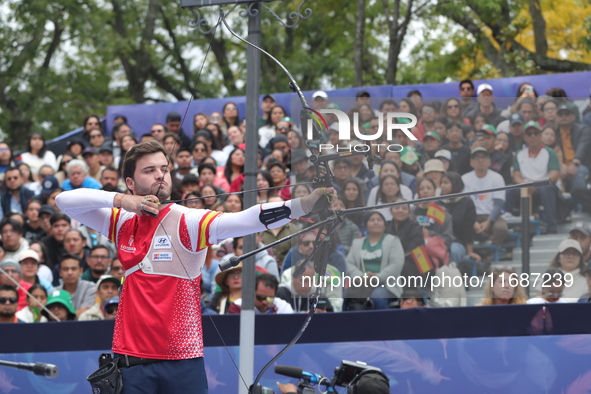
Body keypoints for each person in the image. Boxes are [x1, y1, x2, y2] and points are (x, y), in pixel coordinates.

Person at [55, 140, 330, 391]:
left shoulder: (189, 220)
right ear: (130, 182)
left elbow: (244, 220)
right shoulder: (122, 221)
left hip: (182, 361)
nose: (160, 175)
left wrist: (302, 205)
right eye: (149, 170)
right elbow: (64, 201)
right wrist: (122, 200)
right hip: (130, 359)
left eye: (164, 168)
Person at [505, 121, 561, 233]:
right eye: (529, 134)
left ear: (540, 135)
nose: (533, 136)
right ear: (524, 137)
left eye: (535, 133)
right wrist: (525, 185)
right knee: (509, 189)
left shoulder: (549, 152)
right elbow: (516, 175)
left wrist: (536, 183)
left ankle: (552, 225)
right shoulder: (519, 153)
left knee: (547, 189)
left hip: (544, 187)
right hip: (525, 187)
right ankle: (510, 225)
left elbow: (554, 174)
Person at [345, 212, 404, 309]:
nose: (375, 222)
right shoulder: (357, 243)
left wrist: (378, 277)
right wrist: (359, 276)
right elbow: (349, 263)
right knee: (345, 296)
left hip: (386, 284)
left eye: (379, 220)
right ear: (366, 226)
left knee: (377, 297)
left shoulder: (393, 241)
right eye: (372, 220)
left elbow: (396, 265)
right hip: (361, 285)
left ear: (385, 225)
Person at [462, 147, 508, 246]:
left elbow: (498, 204)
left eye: (484, 157)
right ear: (471, 162)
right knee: (460, 226)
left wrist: (489, 221)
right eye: (476, 157)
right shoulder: (465, 179)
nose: (480, 160)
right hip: (471, 216)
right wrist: (473, 222)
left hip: (491, 215)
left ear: (489, 161)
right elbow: (464, 204)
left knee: (501, 228)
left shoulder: (497, 178)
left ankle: (487, 251)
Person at [228, 273, 294, 314]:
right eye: (260, 297)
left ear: (275, 294)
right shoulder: (238, 306)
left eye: (270, 298)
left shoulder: (283, 308)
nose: (264, 302)